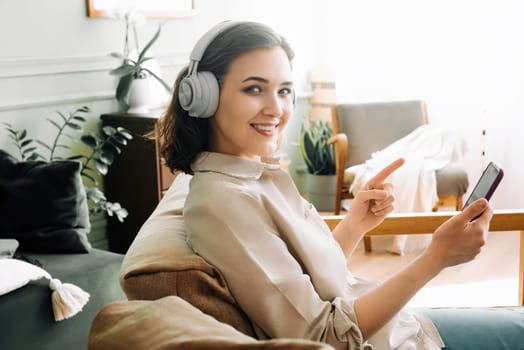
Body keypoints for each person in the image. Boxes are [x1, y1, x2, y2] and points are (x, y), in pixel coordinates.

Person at [155, 20, 523, 350]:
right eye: (254, 89)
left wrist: (355, 224)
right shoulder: (223, 204)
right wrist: (435, 259)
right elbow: (324, 337)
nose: (277, 109)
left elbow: (308, 281)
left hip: (400, 327)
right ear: (203, 97)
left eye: (284, 91)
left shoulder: (252, 174)